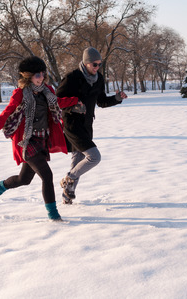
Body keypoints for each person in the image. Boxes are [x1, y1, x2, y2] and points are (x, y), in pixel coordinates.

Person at [0, 56, 74, 221]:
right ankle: (53, 215)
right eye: (37, 75)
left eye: (42, 74)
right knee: (47, 176)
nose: (41, 77)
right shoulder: (21, 94)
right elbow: (4, 116)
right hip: (27, 142)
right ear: (28, 76)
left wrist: (77, 100)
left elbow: (58, 103)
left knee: (24, 179)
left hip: (42, 140)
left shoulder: (47, 91)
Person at [55, 47, 128, 204]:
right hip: (72, 124)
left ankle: (67, 195)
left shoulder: (99, 79)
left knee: (78, 158)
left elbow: (101, 101)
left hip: (87, 124)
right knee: (94, 157)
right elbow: (55, 102)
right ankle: (69, 179)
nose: (97, 68)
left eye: (99, 64)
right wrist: (73, 106)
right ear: (86, 63)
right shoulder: (72, 78)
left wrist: (116, 98)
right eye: (94, 64)